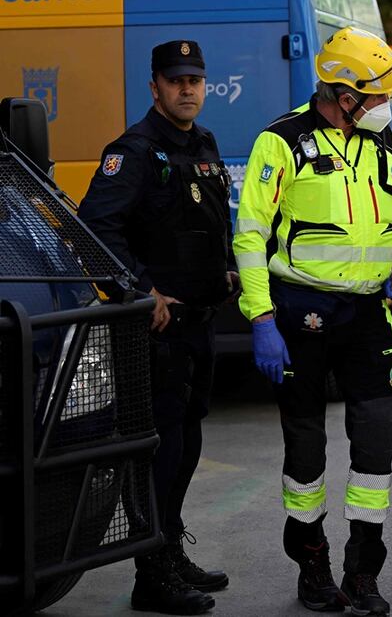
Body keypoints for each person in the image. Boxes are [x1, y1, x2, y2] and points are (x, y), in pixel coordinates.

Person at [232, 27, 392, 615]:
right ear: (344, 96)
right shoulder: (280, 142)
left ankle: (363, 569)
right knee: (305, 445)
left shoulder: (381, 142)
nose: (385, 105)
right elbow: (250, 235)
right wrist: (261, 318)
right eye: (378, 95)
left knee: (374, 442)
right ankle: (311, 562)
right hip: (300, 311)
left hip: (370, 314)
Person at [79, 40, 231, 616]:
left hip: (199, 323)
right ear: (154, 87)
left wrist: (225, 268)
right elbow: (92, 231)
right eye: (175, 81)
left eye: (195, 78)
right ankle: (152, 574)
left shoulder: (204, 145)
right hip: (155, 333)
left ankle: (168, 546)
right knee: (159, 451)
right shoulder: (135, 151)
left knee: (187, 443)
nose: (187, 89)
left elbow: (206, 222)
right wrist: (137, 292)